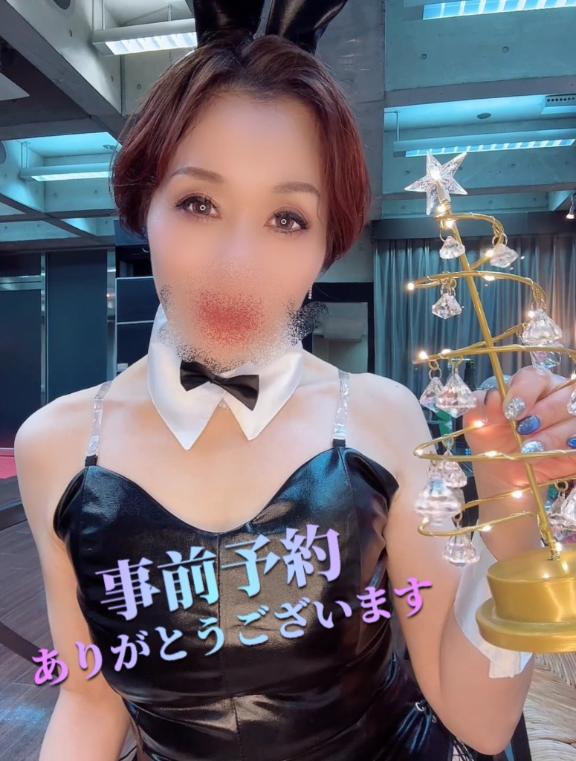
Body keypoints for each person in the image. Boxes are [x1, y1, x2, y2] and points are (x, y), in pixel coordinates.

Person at [14, 2, 538, 759]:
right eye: (198, 203)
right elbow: (89, 699)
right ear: (142, 207)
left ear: (326, 244)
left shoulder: (383, 419)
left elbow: (479, 721)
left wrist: (513, 522)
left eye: (288, 218)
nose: (238, 264)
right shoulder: (58, 446)